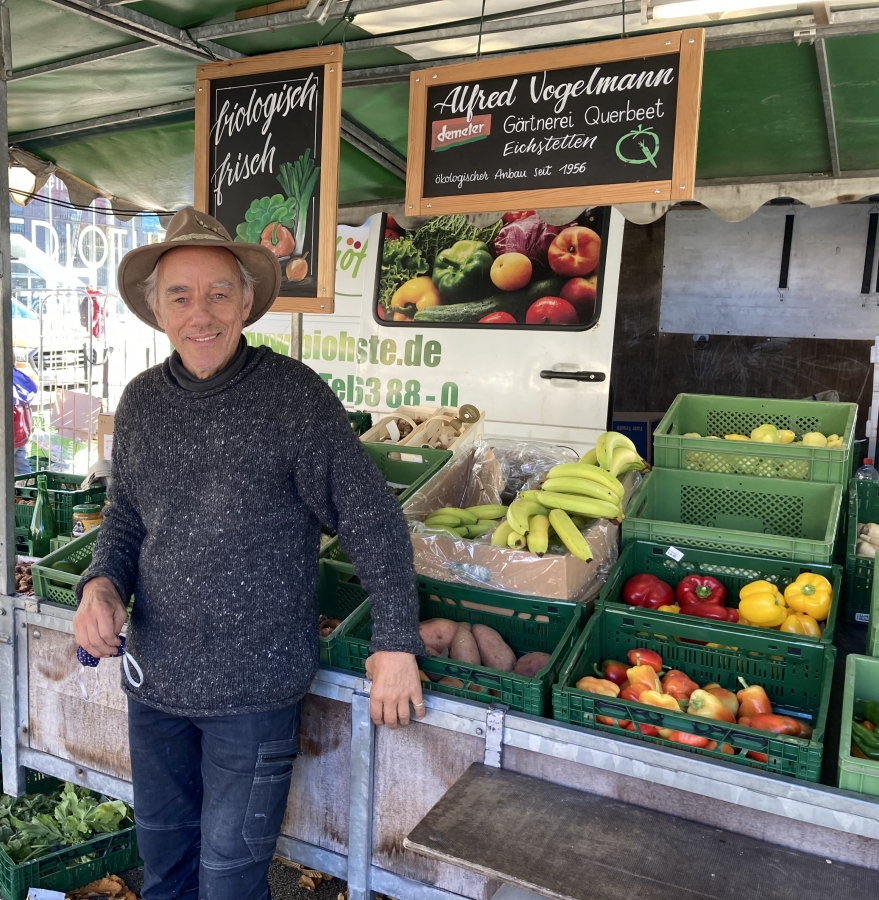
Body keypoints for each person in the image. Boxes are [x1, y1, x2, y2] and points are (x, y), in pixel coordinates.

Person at [71, 209, 426, 900]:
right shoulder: (141, 402)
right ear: (156, 309)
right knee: (164, 868)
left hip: (253, 694)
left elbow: (370, 518)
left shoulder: (293, 396)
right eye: (180, 296)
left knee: (229, 881)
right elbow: (126, 518)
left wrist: (395, 638)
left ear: (245, 302)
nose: (200, 314)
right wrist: (101, 584)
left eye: (218, 294)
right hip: (154, 683)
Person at [12, 367, 37, 476]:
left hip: (8, 437)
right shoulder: (19, 377)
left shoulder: (5, 380)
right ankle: (29, 484)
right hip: (21, 435)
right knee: (22, 468)